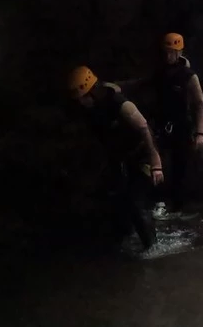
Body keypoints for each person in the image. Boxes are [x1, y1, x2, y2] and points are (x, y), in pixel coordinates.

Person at [68, 65, 162, 250]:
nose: (81, 103)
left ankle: (153, 248)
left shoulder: (118, 102)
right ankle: (123, 241)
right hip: (122, 157)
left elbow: (144, 128)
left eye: (83, 98)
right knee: (117, 200)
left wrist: (156, 163)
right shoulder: (91, 109)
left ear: (91, 92)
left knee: (135, 201)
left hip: (144, 153)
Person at [152, 32, 203, 213]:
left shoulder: (189, 76)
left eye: (172, 52)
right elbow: (145, 85)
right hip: (163, 124)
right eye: (166, 52)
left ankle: (179, 205)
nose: (168, 56)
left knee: (181, 164)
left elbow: (200, 104)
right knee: (161, 163)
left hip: (183, 126)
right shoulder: (161, 72)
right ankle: (161, 200)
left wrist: (200, 133)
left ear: (179, 53)